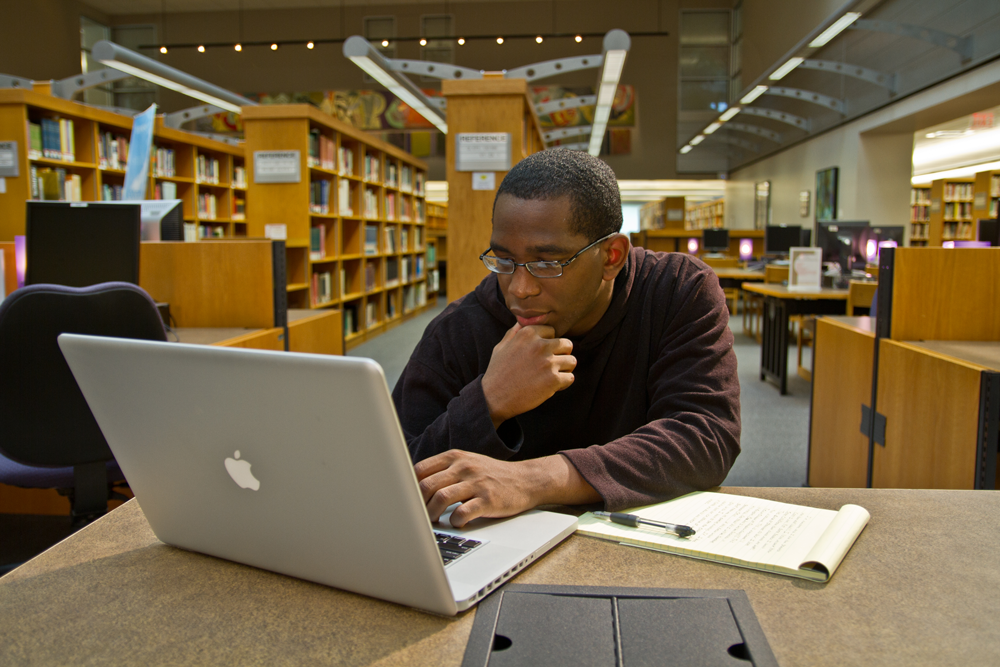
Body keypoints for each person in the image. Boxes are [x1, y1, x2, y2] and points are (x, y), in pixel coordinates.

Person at [392, 149, 740, 528]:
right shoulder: (461, 326)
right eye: (504, 261)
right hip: (496, 546)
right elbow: (397, 471)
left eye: (547, 264)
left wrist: (534, 480)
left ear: (611, 256)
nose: (519, 289)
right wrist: (490, 399)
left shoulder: (678, 291)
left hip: (637, 539)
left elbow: (706, 436)